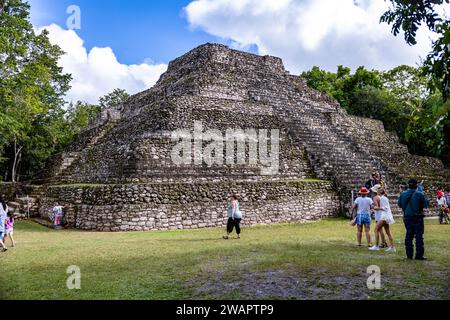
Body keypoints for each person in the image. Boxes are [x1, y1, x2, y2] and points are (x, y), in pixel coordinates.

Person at [398, 179, 429, 260]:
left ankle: (409, 255)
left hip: (407, 217)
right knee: (419, 236)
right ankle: (419, 255)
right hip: (418, 217)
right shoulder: (420, 194)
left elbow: (400, 205)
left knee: (409, 235)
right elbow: (426, 205)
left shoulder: (403, 194)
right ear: (416, 185)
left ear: (408, 185)